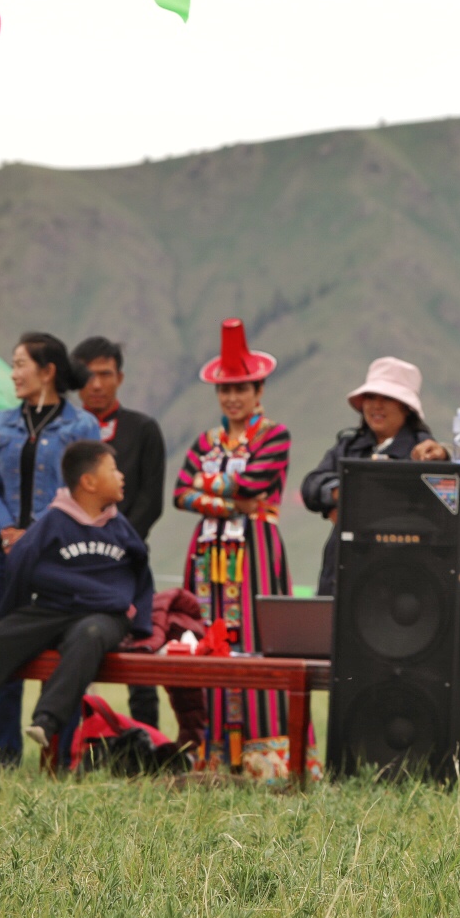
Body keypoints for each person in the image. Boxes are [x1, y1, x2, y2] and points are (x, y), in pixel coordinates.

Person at [0, 441, 152, 766]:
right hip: (53, 609)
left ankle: (46, 719)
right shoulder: (55, 520)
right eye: (113, 470)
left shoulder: (119, 527)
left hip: (104, 615)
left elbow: (142, 574)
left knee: (89, 635)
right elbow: (21, 559)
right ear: (89, 482)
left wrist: (139, 625)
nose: (122, 477)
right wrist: (12, 616)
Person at [173, 318, 297, 778]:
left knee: (258, 642)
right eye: (225, 390)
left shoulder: (274, 435)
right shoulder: (205, 440)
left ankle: (266, 760)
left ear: (259, 390)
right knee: (207, 640)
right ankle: (212, 756)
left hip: (257, 554)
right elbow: (179, 493)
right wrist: (231, 502)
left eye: (241, 388)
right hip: (206, 557)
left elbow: (255, 480)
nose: (232, 398)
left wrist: (209, 491)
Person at [0, 332, 101, 763]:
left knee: (62, 652)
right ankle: (2, 754)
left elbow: (90, 489)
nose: (13, 374)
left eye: (20, 364)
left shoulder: (82, 425)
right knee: (3, 649)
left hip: (60, 557)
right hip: (6, 556)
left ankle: (60, 754)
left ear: (47, 371)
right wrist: (7, 532)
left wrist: (41, 535)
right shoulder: (1, 423)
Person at [71, 336, 168, 727]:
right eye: (88, 375)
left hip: (128, 560)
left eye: (105, 374)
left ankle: (149, 742)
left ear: (120, 377)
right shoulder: (67, 432)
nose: (96, 384)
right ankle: (71, 743)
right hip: (71, 561)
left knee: (139, 647)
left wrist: (116, 543)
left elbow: (151, 499)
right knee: (72, 648)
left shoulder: (143, 429)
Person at [300, 357, 449, 596]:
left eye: (387, 398)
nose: (376, 406)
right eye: (371, 397)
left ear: (405, 407)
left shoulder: (423, 453)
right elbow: (311, 486)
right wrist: (341, 492)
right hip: (342, 568)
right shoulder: (348, 446)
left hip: (399, 573)